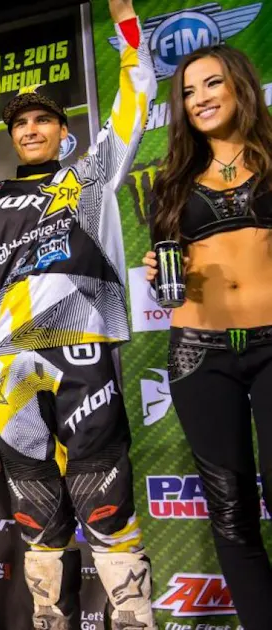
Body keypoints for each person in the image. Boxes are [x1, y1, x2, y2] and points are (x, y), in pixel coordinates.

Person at [0, 0, 158, 627]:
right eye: (20, 123)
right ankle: (50, 618)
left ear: (62, 131)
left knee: (105, 504)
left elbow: (136, 100)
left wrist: (127, 26)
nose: (29, 129)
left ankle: (133, 618)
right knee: (37, 516)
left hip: (81, 353)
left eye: (42, 119)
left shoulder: (88, 179)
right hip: (14, 365)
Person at [142, 44, 272, 630]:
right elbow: (169, 274)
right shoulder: (171, 182)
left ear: (240, 85)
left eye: (212, 84)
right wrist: (156, 271)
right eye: (188, 92)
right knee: (230, 511)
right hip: (199, 353)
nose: (199, 99)